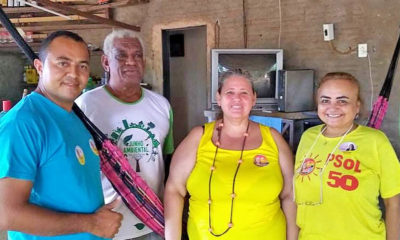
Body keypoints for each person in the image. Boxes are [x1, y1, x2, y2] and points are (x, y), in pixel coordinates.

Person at [0, 31, 123, 240]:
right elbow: (6, 213)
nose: (74, 74)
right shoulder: (23, 123)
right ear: (39, 67)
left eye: (82, 65)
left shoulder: (73, 116)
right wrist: (92, 224)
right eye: (63, 63)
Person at [164, 70, 298, 240]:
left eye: (244, 93)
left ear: (253, 98)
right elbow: (174, 189)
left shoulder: (273, 138)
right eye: (230, 92)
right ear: (218, 98)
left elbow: (289, 195)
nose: (237, 98)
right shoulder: (199, 137)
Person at [76, 29, 174, 240]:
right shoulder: (85, 106)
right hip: (105, 222)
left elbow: (166, 160)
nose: (131, 61)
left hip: (151, 219)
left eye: (137, 55)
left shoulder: (162, 106)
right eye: (121, 55)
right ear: (105, 62)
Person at [293, 72, 400, 240]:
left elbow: (393, 202)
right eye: (325, 100)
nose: (332, 107)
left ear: (357, 106)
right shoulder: (309, 137)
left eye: (342, 101)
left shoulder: (375, 141)